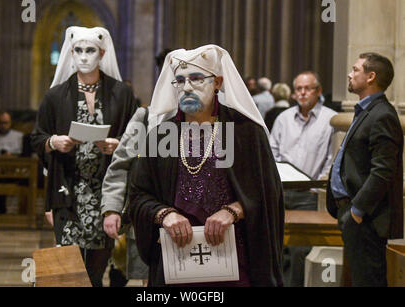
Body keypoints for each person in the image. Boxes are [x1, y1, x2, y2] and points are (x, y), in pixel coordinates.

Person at [129, 45, 284, 287]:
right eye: (179, 80)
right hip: (176, 261)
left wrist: (233, 210)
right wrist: (165, 214)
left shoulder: (246, 132)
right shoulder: (160, 135)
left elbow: (268, 193)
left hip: (235, 262)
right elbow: (138, 195)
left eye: (196, 78)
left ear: (218, 82)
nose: (187, 87)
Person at [31, 26, 137, 287]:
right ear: (71, 52)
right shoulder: (55, 96)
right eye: (78, 50)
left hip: (106, 192)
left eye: (90, 50)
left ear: (102, 53)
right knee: (69, 273)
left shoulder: (121, 93)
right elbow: (36, 138)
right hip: (68, 190)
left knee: (96, 271)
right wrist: (54, 142)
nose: (84, 56)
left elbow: (139, 139)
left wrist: (118, 144)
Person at [327, 52, 403, 287]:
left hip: (366, 217)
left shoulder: (382, 115)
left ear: (371, 77)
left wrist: (357, 211)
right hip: (354, 213)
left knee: (368, 281)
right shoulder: (368, 111)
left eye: (355, 69)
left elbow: (382, 171)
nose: (350, 74)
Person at [269, 71, 337, 287]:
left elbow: (331, 159)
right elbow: (273, 152)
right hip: (281, 192)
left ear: (318, 91)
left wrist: (317, 188)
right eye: (298, 88)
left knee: (300, 251)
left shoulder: (330, 119)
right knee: (276, 246)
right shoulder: (283, 118)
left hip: (308, 195)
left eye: (307, 88)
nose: (302, 93)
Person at [102, 106, 150, 286]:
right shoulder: (146, 116)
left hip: (200, 216)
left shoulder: (222, 117)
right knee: (151, 279)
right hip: (150, 214)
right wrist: (112, 208)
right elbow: (121, 164)